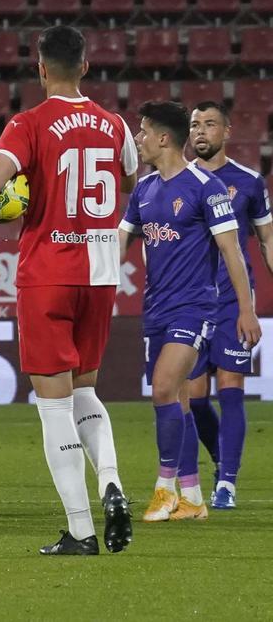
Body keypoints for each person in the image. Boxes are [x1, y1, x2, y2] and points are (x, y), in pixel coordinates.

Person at [0, 25, 136, 555]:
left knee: (54, 408)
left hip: (49, 275)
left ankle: (81, 530)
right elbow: (127, 181)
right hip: (101, 276)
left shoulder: (27, 124)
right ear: (85, 66)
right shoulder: (114, 123)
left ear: (40, 68)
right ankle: (111, 482)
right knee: (85, 392)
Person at [119, 101, 260, 524]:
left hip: (196, 308)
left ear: (163, 138)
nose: (138, 139)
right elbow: (117, 242)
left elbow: (232, 252)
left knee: (163, 388)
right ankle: (193, 497)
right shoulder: (144, 190)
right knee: (177, 401)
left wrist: (246, 311)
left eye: (143, 132)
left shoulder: (206, 186)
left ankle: (163, 489)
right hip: (155, 309)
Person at [184, 101, 273, 510]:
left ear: (227, 131)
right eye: (195, 125)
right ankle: (221, 459)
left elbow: (266, 238)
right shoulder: (175, 180)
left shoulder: (250, 182)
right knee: (194, 396)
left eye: (210, 124)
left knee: (232, 387)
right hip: (189, 302)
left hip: (233, 302)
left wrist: (249, 306)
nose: (201, 131)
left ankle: (228, 484)